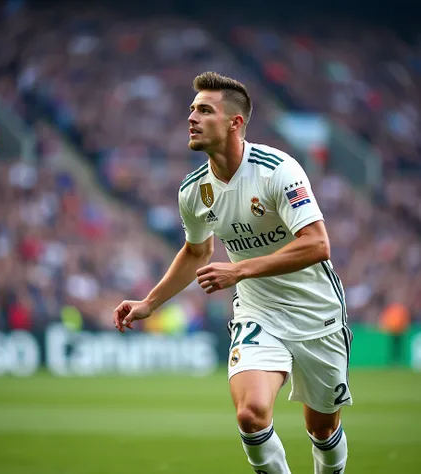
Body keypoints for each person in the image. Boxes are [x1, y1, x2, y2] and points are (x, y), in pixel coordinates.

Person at [113, 71, 353, 474]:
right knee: (251, 414)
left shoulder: (278, 169)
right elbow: (196, 251)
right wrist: (149, 303)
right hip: (258, 313)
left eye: (204, 110)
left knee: (323, 429)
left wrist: (239, 269)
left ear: (234, 123)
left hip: (317, 313)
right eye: (191, 110)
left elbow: (317, 244)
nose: (191, 117)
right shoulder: (193, 191)